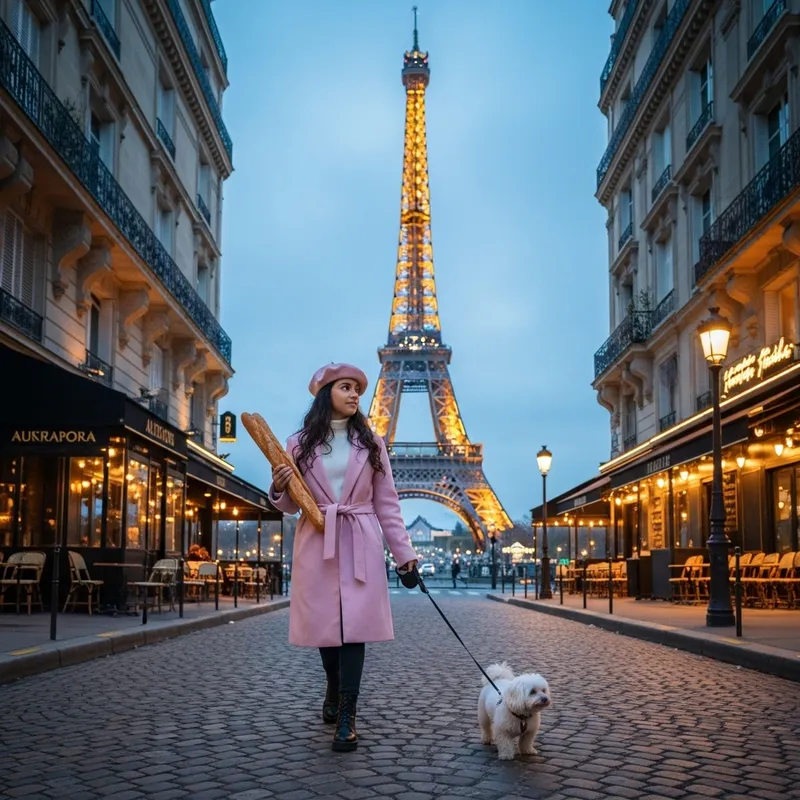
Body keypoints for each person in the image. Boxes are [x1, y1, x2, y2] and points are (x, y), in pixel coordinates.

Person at [269, 363, 418, 752]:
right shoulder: (298, 444)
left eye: (358, 389)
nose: (355, 395)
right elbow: (290, 504)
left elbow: (388, 504)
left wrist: (405, 556)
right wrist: (279, 486)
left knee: (355, 627)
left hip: (359, 539)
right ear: (326, 394)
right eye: (346, 387)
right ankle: (332, 684)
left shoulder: (372, 443)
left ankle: (348, 713)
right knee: (326, 625)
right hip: (317, 539)